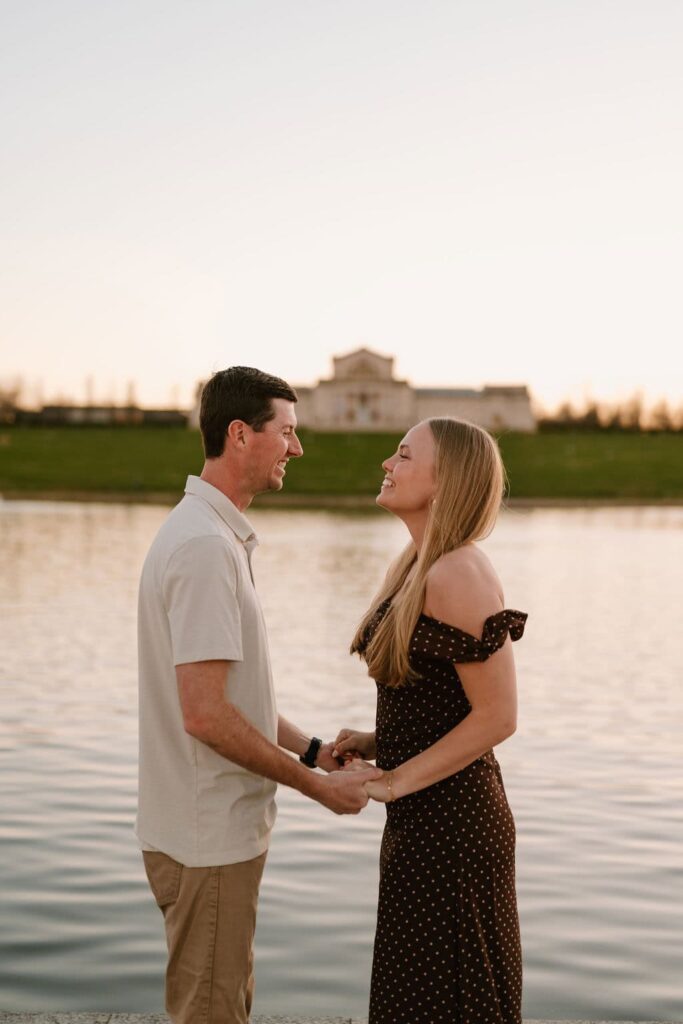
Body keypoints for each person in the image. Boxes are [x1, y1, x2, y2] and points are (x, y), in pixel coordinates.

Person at [136, 365, 380, 1024]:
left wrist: (313, 750)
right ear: (241, 434)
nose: (297, 449)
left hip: (204, 835)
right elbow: (206, 714)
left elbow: (226, 695)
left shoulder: (210, 536)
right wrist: (317, 789)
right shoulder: (204, 547)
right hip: (206, 838)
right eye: (287, 432)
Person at [333, 417, 527, 1024]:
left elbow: (498, 717)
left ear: (446, 482)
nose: (387, 466)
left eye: (403, 456)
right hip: (423, 823)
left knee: (448, 1002)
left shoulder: (457, 572)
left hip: (455, 831)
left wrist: (391, 781)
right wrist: (377, 742)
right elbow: (445, 701)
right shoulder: (421, 565)